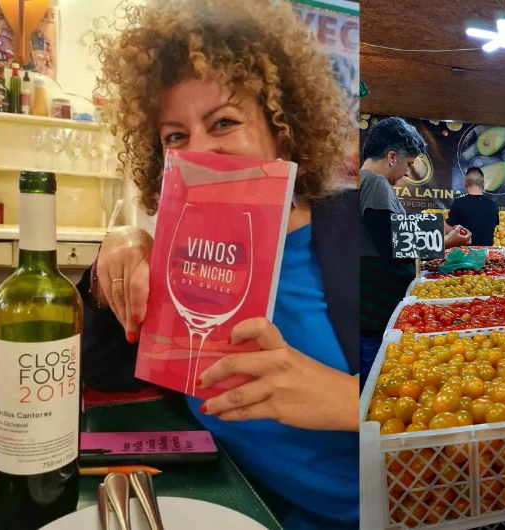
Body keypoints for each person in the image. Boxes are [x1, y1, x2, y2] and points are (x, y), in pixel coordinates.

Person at [89, 1, 358, 527]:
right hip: (238, 505)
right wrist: (117, 250)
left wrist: (349, 398)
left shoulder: (356, 230)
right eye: (175, 135)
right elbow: (105, 366)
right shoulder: (181, 250)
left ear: (282, 130)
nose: (200, 151)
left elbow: (438, 390)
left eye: (224, 123)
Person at [358, 117, 428, 374]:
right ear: (391, 157)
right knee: (372, 376)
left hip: (367, 310)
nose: (407, 173)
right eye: (408, 164)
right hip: (374, 311)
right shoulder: (375, 182)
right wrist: (444, 242)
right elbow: (392, 247)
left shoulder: (360, 181)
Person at [446, 166, 499, 246]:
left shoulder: (458, 203)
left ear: (465, 183)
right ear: (483, 184)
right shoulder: (494, 205)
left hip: (464, 253)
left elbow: (448, 230)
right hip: (486, 252)